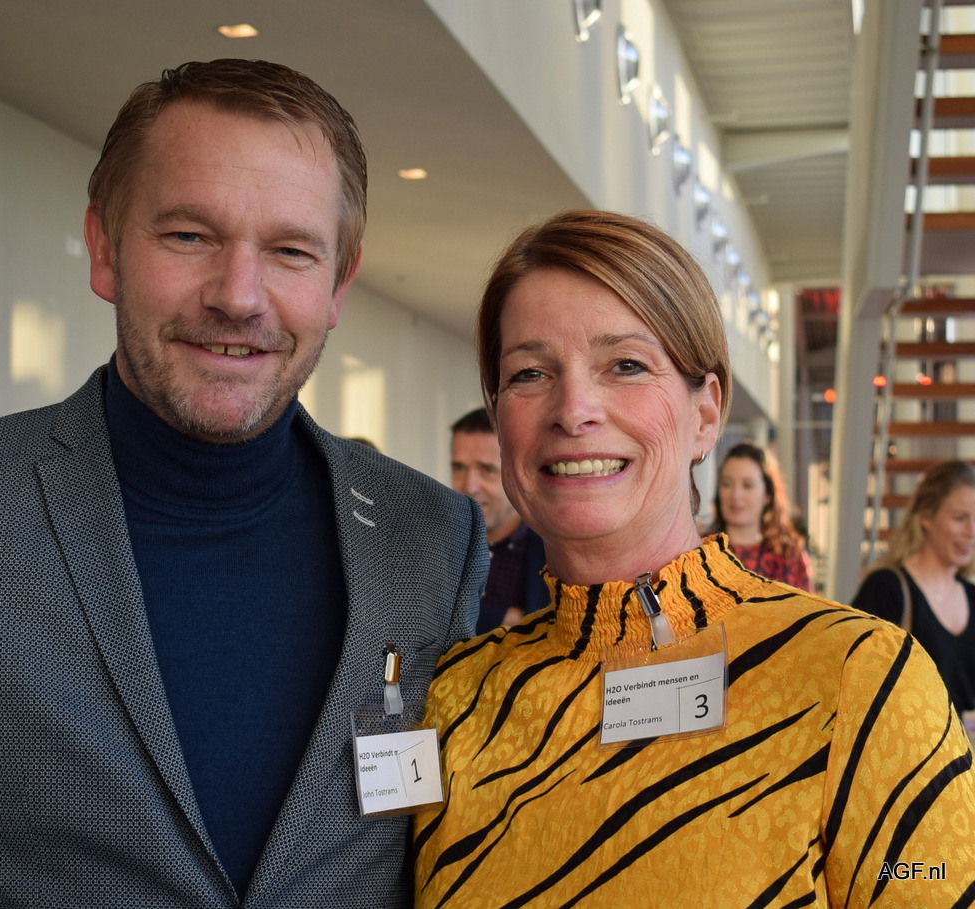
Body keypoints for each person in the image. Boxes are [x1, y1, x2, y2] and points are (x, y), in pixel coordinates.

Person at [0, 59, 484, 908]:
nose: (238, 296)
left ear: (338, 283)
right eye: (188, 236)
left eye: (291, 251)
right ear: (105, 247)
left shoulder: (430, 536)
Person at [413, 210, 975, 907]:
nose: (573, 408)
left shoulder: (856, 679)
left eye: (626, 364)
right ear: (500, 418)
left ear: (706, 414)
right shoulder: (456, 696)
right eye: (529, 372)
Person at [852, 459, 975, 716]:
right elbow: (856, 682)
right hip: (904, 740)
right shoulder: (886, 588)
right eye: (959, 518)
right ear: (926, 516)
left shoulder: (971, 596)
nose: (971, 531)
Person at [449, 408, 548, 632]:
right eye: (459, 468)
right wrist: (501, 617)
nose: (469, 487)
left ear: (518, 471)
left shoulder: (556, 552)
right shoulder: (434, 544)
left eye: (487, 469)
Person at [707, 439, 812, 590]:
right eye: (727, 484)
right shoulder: (700, 552)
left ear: (767, 494)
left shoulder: (790, 556)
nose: (736, 495)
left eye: (747, 485)